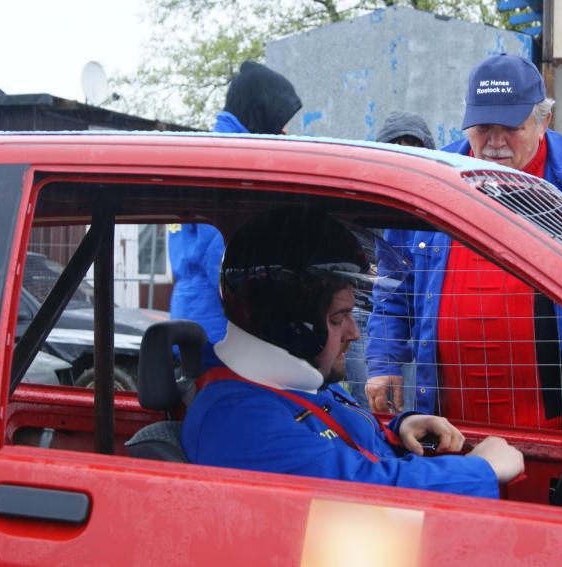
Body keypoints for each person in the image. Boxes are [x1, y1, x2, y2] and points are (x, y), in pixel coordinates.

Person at [365, 54, 562, 433]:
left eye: (510, 128)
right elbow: (395, 280)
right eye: (482, 127)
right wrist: (384, 361)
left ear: (544, 121)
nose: (494, 142)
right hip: (451, 421)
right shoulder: (433, 179)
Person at [181, 207, 524, 498]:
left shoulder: (287, 380)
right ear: (292, 326)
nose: (354, 332)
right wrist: (481, 470)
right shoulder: (240, 421)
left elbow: (341, 440)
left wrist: (401, 429)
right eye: (338, 318)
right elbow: (362, 487)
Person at [168, 62, 301, 367]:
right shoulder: (229, 163)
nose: (285, 131)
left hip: (193, 315)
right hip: (220, 333)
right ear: (260, 109)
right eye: (281, 119)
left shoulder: (208, 152)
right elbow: (224, 260)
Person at [345, 111, 435, 409]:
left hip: (419, 329)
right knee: (376, 403)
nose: (406, 154)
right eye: (397, 147)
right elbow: (390, 288)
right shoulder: (363, 196)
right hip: (371, 317)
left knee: (412, 405)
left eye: (413, 146)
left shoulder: (440, 206)